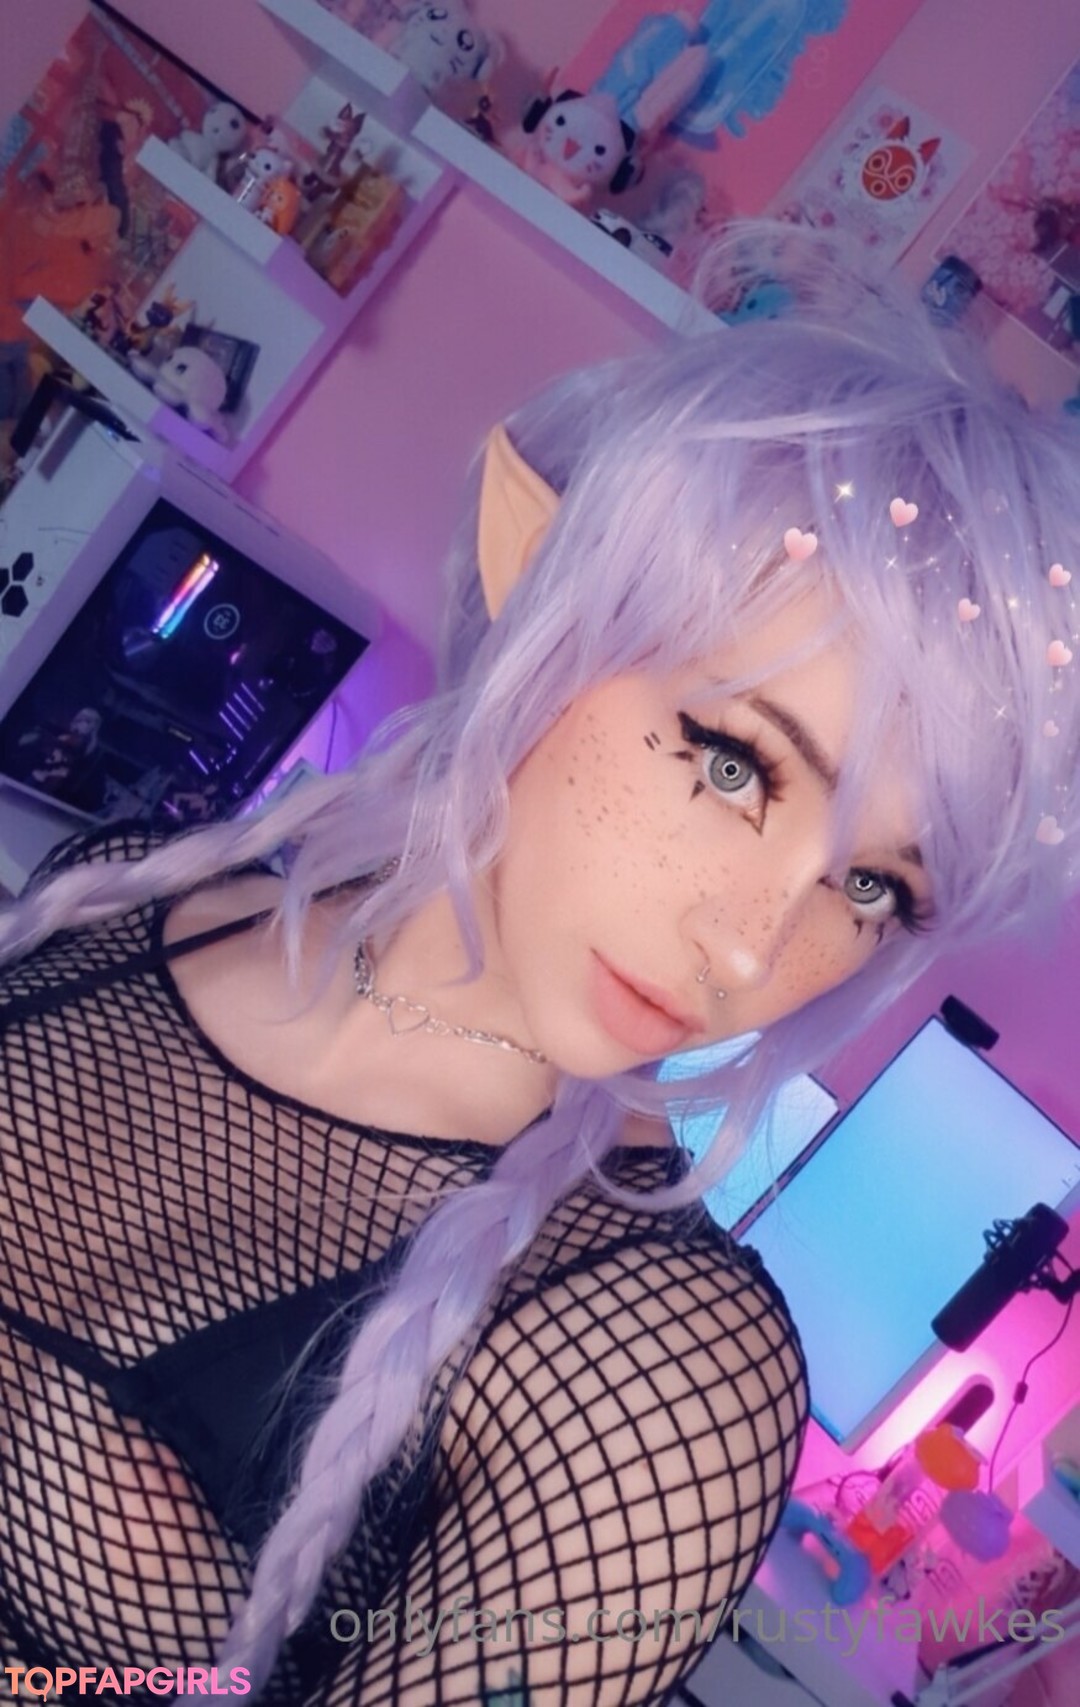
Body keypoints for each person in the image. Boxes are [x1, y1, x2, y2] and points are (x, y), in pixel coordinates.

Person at [0, 222, 1077, 1705]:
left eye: (875, 887)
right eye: (735, 765)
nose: (752, 948)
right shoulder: (122, 893)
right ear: (543, 577)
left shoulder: (654, 1374)